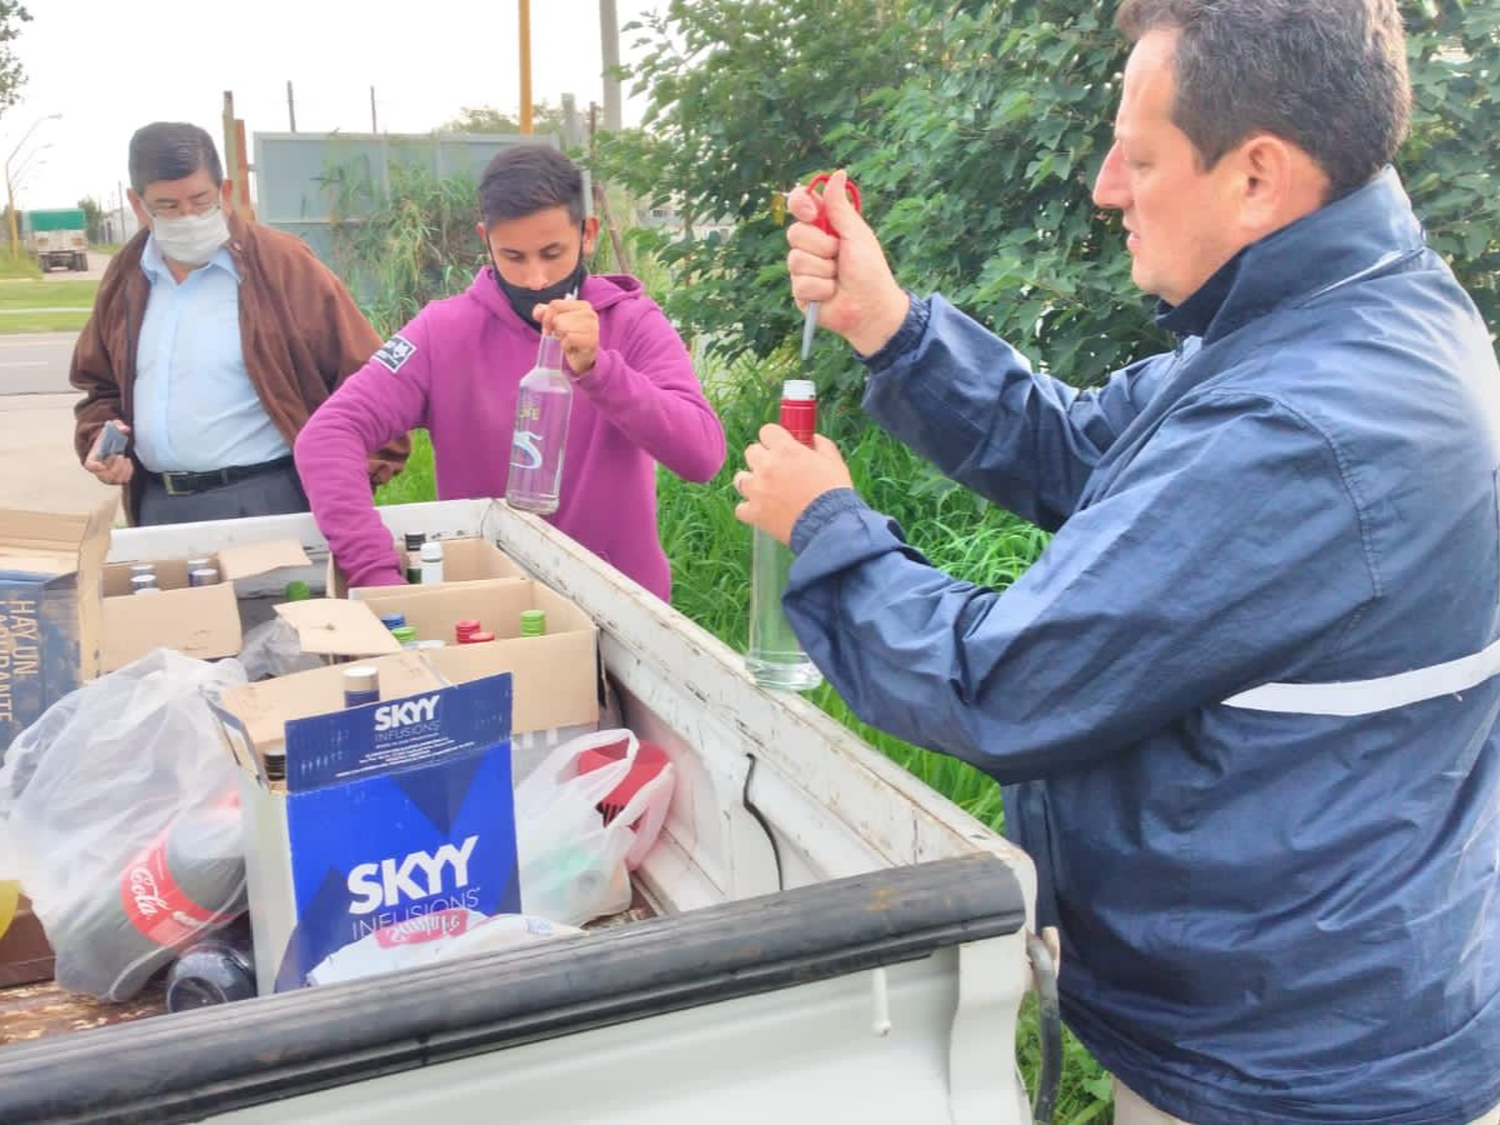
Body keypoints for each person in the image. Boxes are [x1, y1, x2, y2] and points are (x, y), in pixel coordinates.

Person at [735, 1, 1500, 1121]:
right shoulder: (1347, 324)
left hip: (1283, 1074)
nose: (1105, 185)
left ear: (1257, 178)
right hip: (1317, 1011)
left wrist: (831, 531)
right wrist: (889, 324)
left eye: (1138, 156)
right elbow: (1085, 445)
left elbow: (1004, 685)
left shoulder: (1305, 428)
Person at [295, 145, 725, 601]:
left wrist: (602, 371)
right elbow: (328, 435)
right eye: (513, 256)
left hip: (621, 612)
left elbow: (702, 455)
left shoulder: (631, 322)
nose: (537, 278)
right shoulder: (442, 332)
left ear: (589, 234)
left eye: (553, 252)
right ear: (486, 239)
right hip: (490, 608)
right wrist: (376, 574)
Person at [71, 122, 405, 526]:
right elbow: (99, 387)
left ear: (225, 192)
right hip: (158, 503)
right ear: (137, 204)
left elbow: (369, 377)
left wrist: (358, 477)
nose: (188, 218)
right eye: (168, 207)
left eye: (200, 200)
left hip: (270, 497)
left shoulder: (284, 267)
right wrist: (101, 440)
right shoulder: (126, 278)